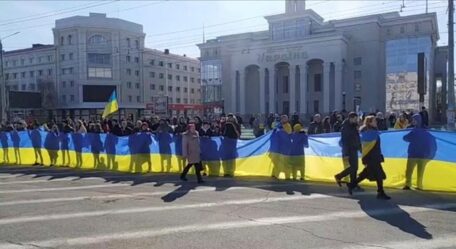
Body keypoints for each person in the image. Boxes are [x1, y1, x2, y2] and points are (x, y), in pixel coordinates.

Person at [347, 115, 391, 200]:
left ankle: (351, 185)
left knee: (366, 174)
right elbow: (368, 146)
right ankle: (380, 192)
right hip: (372, 158)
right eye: (374, 121)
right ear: (369, 122)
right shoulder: (370, 133)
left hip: (372, 157)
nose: (376, 122)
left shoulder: (370, 132)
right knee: (378, 175)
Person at [335, 112, 361, 189]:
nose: (356, 121)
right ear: (350, 118)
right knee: (353, 167)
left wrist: (360, 148)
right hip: (349, 150)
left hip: (354, 149)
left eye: (356, 119)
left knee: (355, 168)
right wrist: (346, 153)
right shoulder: (345, 128)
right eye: (355, 119)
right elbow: (345, 141)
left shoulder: (354, 126)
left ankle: (353, 183)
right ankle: (339, 176)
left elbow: (357, 138)